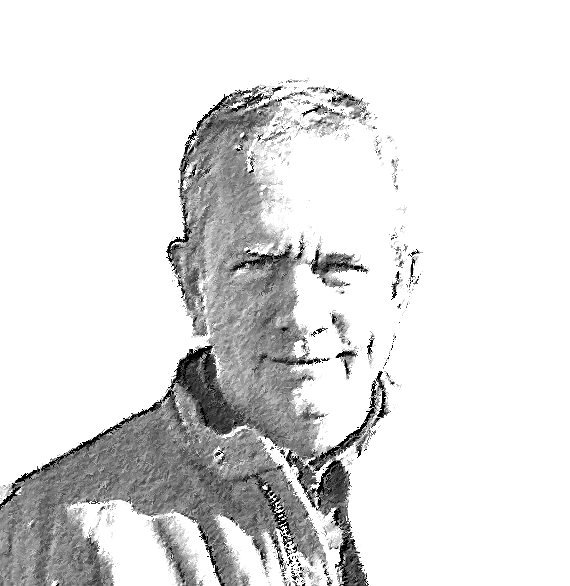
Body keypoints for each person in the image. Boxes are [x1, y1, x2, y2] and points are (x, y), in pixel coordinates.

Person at [0, 81, 419, 585]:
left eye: (340, 267)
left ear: (400, 284)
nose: (301, 313)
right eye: (257, 265)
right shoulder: (50, 532)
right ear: (193, 284)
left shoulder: (490, 490)